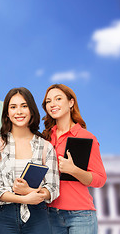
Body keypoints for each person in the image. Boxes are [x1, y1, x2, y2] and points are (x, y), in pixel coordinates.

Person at [0, 87, 60, 234]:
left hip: (38, 216)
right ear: (7, 113)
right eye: (13, 107)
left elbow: (53, 187)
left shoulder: (45, 147)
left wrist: (30, 192)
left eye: (24, 106)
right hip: (5, 217)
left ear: (31, 110)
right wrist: (26, 198)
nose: (19, 112)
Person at [42, 84, 106, 234]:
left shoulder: (85, 137)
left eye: (58, 99)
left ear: (71, 103)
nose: (53, 104)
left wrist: (74, 170)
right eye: (48, 101)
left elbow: (100, 179)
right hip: (49, 214)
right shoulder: (44, 138)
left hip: (80, 215)